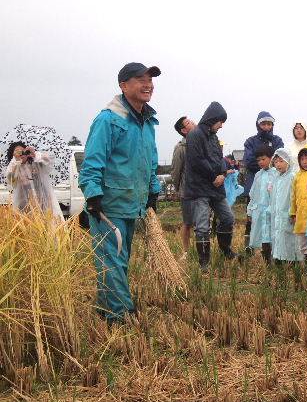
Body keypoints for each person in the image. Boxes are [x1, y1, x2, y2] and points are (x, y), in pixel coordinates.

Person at [79, 62, 162, 324]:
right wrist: (93, 195)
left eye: (150, 79)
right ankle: (121, 313)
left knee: (119, 260)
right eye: (140, 79)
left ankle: (106, 310)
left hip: (132, 202)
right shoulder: (108, 120)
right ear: (123, 86)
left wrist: (153, 191)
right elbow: (92, 161)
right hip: (108, 203)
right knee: (111, 259)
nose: (147, 84)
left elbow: (150, 160)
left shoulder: (147, 122)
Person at [184, 101, 237, 268]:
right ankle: (204, 262)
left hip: (216, 187)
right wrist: (214, 176)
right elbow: (196, 161)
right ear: (212, 119)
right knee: (202, 225)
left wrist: (222, 173)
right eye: (220, 122)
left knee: (228, 218)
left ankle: (225, 249)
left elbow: (220, 159)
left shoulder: (214, 137)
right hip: (200, 189)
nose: (221, 126)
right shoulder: (195, 135)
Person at [242, 112, 284, 253]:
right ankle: (249, 247)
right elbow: (248, 161)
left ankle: (273, 249)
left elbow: (281, 158)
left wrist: (272, 165)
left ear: (272, 125)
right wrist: (264, 163)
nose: (266, 126)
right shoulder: (250, 141)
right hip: (255, 184)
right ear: (258, 124)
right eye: (263, 123)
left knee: (274, 217)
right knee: (252, 218)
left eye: (269, 123)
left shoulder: (277, 140)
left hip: (275, 183)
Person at [5, 142, 63, 219]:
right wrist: (15, 161)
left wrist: (35, 154)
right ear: (12, 155)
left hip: (43, 202)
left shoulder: (36, 163)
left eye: (23, 151)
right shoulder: (13, 167)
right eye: (17, 152)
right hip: (23, 204)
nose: (21, 154)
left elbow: (50, 160)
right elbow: (10, 180)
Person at [269, 148, 301, 263]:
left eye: (281, 161)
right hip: (278, 214)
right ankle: (279, 259)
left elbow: (295, 196)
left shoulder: (293, 176)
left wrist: (294, 212)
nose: (278, 164)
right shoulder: (276, 178)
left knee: (290, 237)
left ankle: (292, 261)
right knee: (278, 235)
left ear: (288, 161)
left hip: (288, 213)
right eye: (276, 162)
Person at [247, 145, 277, 262]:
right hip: (259, 210)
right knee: (263, 235)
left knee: (271, 234)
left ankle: (275, 259)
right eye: (258, 160)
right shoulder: (258, 175)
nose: (260, 162)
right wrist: (250, 210)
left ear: (271, 158)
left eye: (263, 159)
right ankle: (266, 260)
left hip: (272, 210)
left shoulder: (276, 174)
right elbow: (253, 194)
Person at [171, 116, 197, 252]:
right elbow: (176, 171)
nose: (193, 122)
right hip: (187, 191)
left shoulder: (201, 142)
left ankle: (200, 250)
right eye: (188, 122)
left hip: (202, 190)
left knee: (202, 222)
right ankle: (186, 251)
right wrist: (177, 189)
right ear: (183, 130)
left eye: (191, 120)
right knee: (187, 222)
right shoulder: (181, 148)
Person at [290, 147, 307, 260]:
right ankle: (306, 258)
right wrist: (293, 213)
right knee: (303, 239)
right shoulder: (297, 176)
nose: (305, 162)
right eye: (302, 159)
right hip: (301, 214)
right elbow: (293, 196)